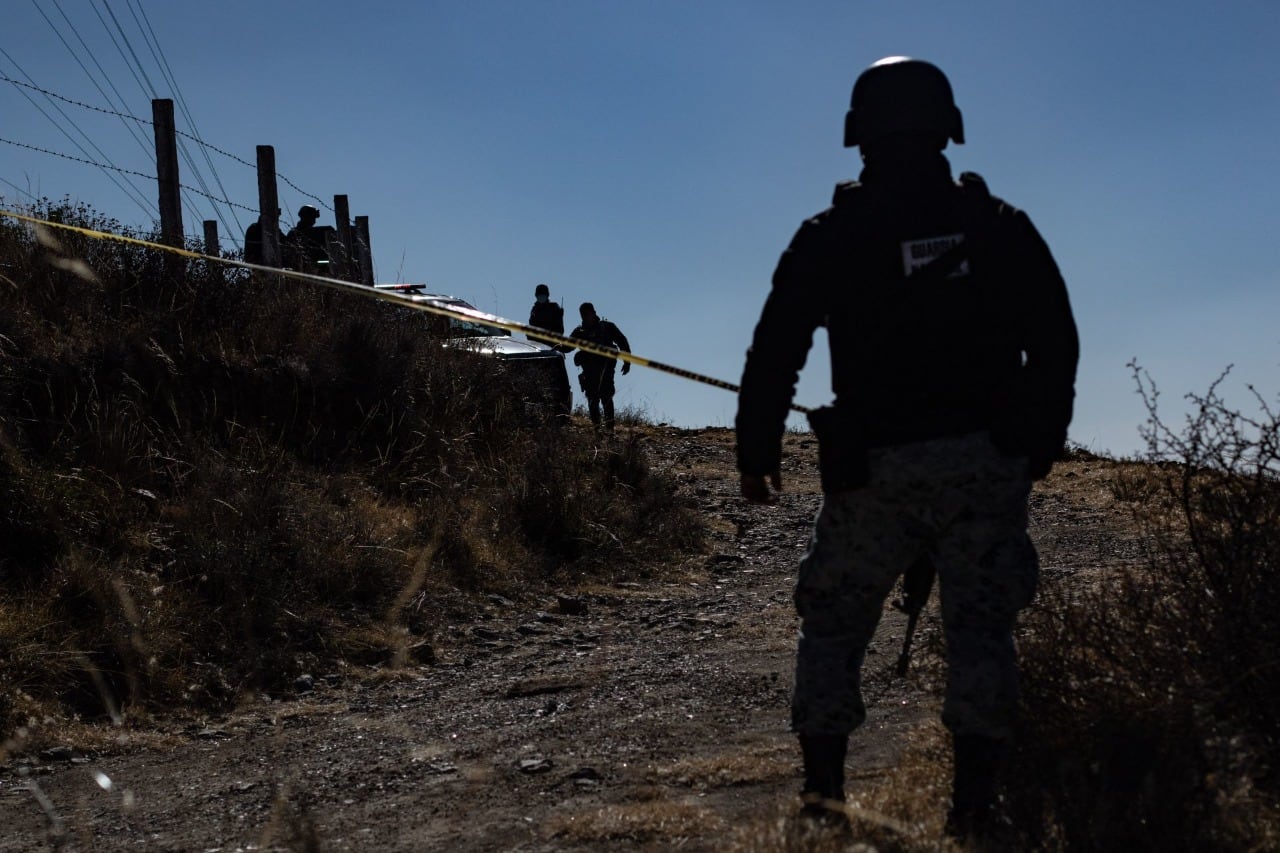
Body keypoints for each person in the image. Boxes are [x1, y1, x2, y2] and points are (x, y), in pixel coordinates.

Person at [735, 57, 1078, 840]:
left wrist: (757, 452)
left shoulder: (832, 235)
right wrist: (1041, 439)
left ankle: (825, 804)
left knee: (831, 625)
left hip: (873, 474)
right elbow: (1055, 339)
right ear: (945, 129)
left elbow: (776, 345)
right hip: (984, 465)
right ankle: (973, 810)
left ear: (859, 137)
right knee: (983, 629)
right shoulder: (998, 226)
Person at [567, 303, 631, 431]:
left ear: (594, 312)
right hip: (589, 371)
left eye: (587, 313)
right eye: (583, 314)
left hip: (606, 368)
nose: (586, 317)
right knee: (592, 399)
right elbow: (569, 346)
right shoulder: (579, 331)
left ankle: (610, 430)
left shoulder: (607, 327)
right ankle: (596, 429)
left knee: (606, 397)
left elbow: (622, 341)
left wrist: (627, 361)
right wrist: (557, 347)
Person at [283, 204, 332, 271]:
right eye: (313, 217)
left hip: (316, 265)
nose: (314, 220)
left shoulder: (315, 233)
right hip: (303, 266)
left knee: (328, 262)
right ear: (306, 217)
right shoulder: (295, 233)